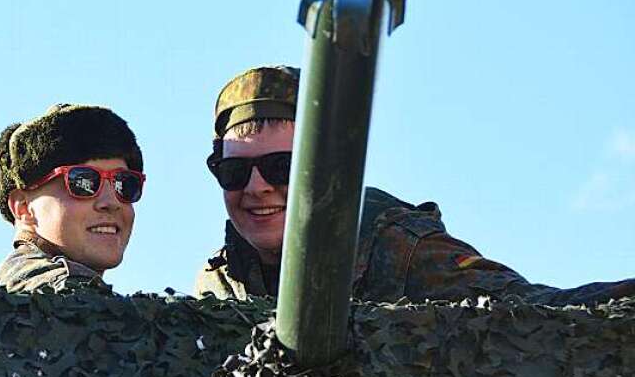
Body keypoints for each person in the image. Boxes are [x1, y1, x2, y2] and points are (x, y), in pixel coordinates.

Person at [196, 65, 635, 305]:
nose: (255, 188)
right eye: (234, 172)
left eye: (281, 167)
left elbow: (537, 309)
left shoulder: (399, 249)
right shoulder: (218, 284)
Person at [0, 103, 145, 293]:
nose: (111, 202)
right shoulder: (59, 294)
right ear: (24, 207)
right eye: (83, 182)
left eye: (124, 184)